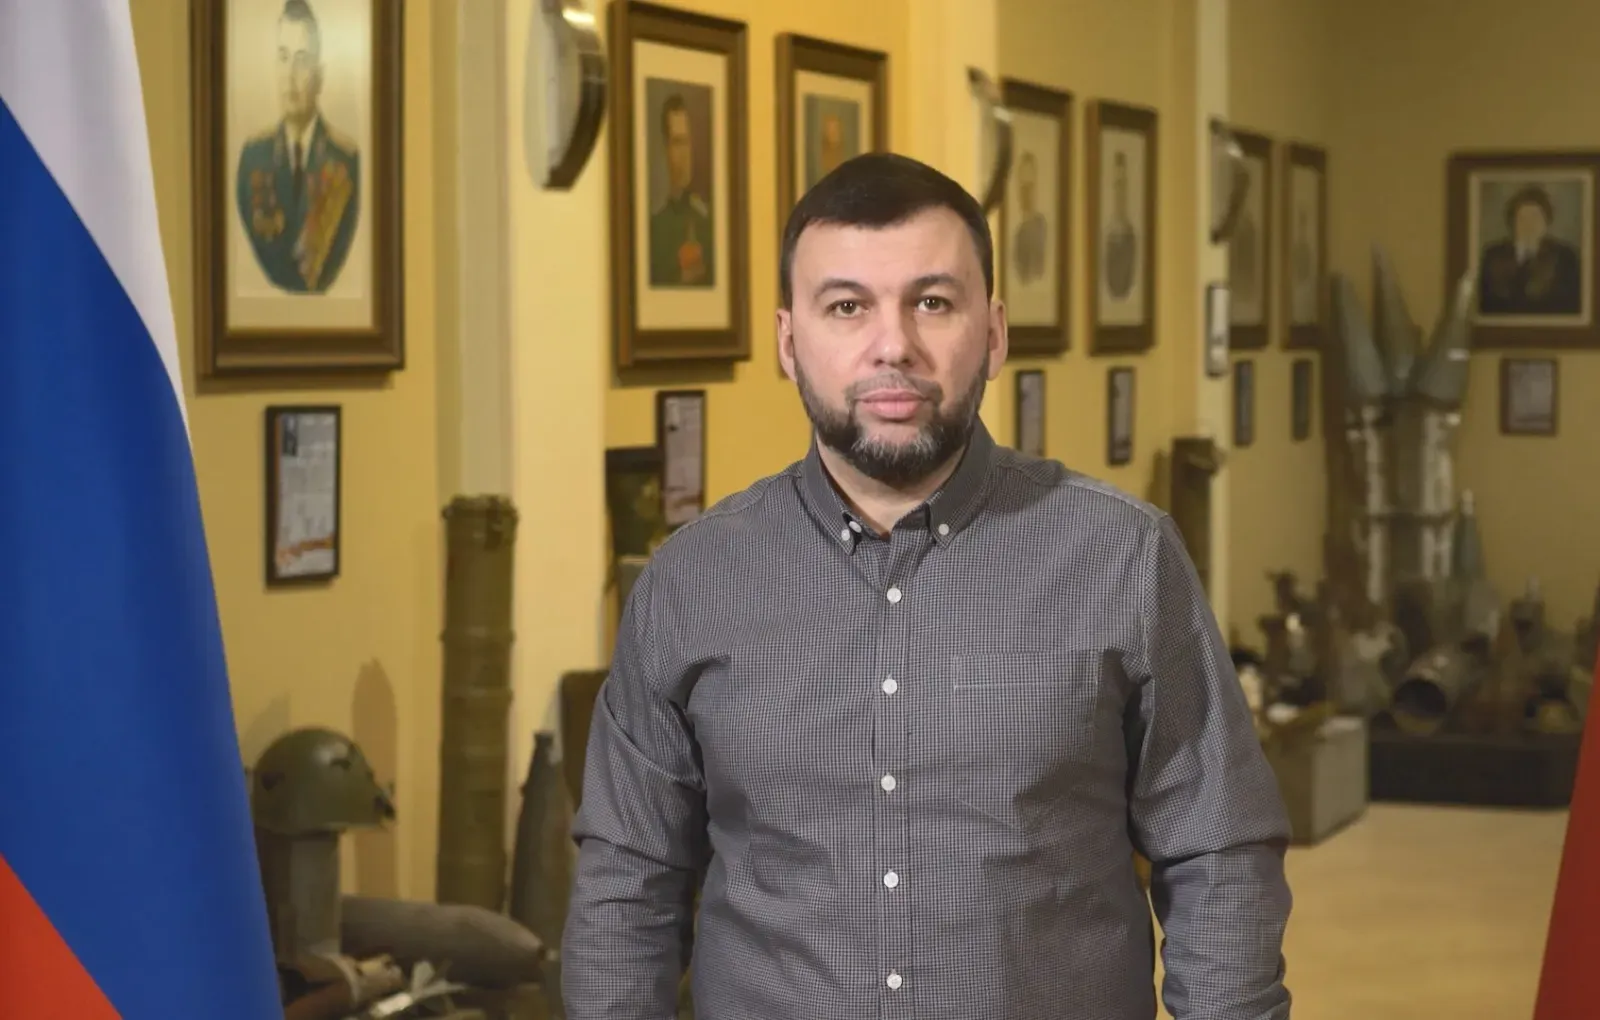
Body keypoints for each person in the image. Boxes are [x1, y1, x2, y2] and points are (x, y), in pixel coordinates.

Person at [562, 152, 1293, 1020]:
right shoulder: (689, 584)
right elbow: (627, 885)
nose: (893, 345)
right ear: (789, 343)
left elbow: (1219, 853)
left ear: (995, 333)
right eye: (847, 306)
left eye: (933, 303)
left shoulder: (1123, 558)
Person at [234, 0, 361, 294]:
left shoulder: (347, 162)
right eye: (283, 57)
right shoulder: (253, 159)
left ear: (320, 75)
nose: (290, 75)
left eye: (302, 60)